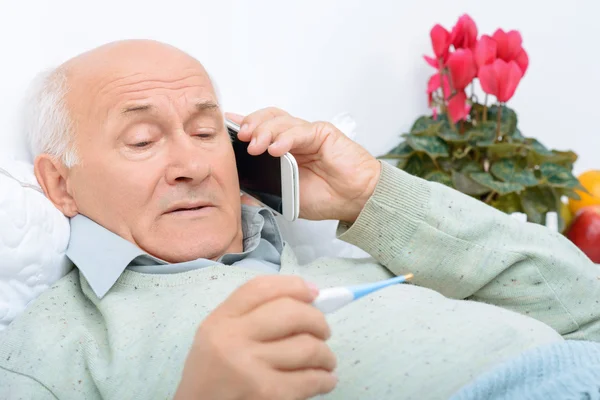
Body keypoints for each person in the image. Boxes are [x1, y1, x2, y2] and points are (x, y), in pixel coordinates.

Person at [0, 39, 598, 400]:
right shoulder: (56, 347)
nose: (192, 164)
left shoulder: (363, 255)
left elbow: (583, 310)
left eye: (207, 132)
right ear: (59, 183)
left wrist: (369, 195)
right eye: (141, 139)